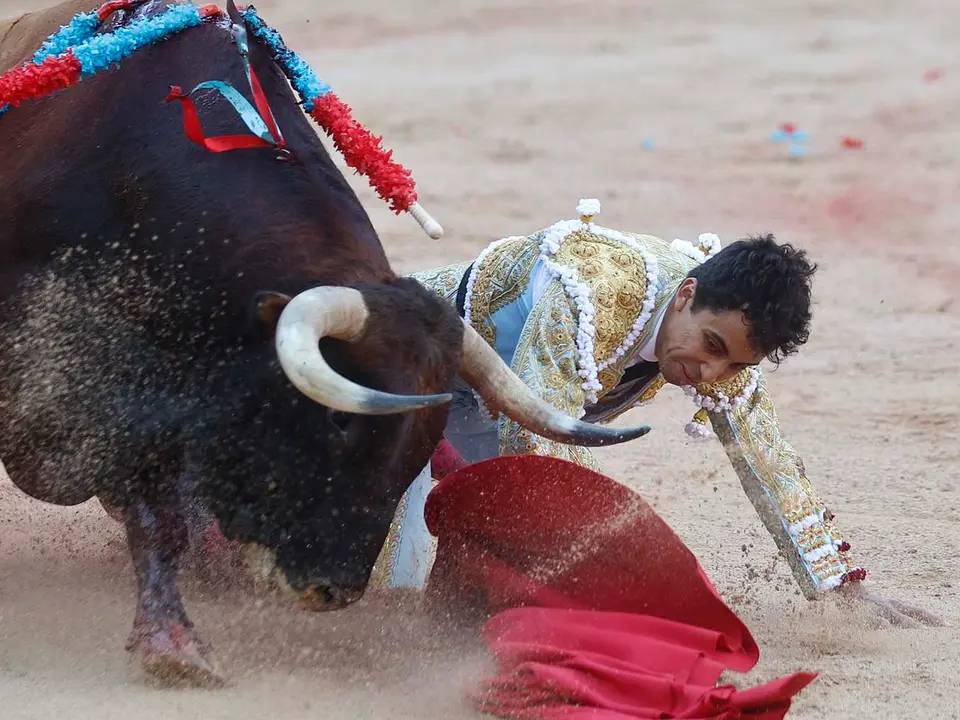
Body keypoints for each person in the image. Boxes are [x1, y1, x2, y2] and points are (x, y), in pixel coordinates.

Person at [372, 198, 945, 628]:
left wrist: (840, 589)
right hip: (399, 365)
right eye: (712, 348)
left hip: (486, 414)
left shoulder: (720, 341)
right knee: (378, 583)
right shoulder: (593, 289)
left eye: (732, 365)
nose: (709, 373)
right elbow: (537, 433)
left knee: (427, 602)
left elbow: (767, 462)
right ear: (685, 294)